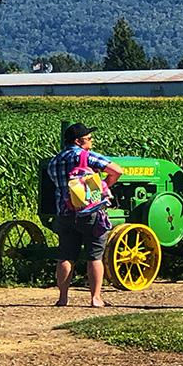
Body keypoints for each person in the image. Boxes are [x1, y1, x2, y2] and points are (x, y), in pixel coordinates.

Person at [47, 123, 123, 307]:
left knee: (65, 256)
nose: (92, 141)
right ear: (78, 141)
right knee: (94, 256)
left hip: (65, 213)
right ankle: (95, 298)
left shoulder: (54, 161)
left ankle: (63, 297)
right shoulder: (86, 156)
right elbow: (117, 171)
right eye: (89, 138)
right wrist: (103, 186)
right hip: (91, 212)